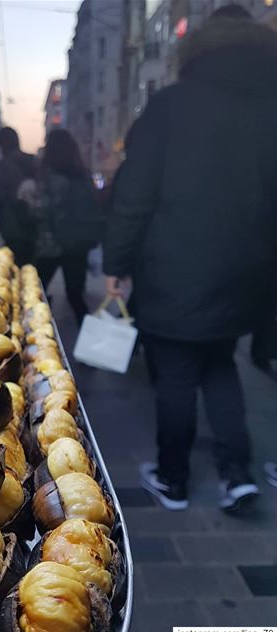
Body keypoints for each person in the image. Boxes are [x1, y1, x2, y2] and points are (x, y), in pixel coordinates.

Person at [103, 4, 277, 512]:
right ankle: (237, 474)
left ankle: (174, 479)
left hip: (171, 268)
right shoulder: (270, 110)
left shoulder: (171, 106)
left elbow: (135, 194)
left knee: (175, 373)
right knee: (221, 366)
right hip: (244, 270)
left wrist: (117, 262)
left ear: (195, 50)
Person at [36, 129, 103, 325]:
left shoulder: (50, 176)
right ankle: (89, 341)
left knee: (36, 289)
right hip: (77, 244)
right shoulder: (82, 175)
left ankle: (36, 336)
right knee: (75, 295)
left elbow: (44, 210)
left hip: (52, 244)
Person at [0, 127, 38, 265]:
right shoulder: (34, 161)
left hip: (12, 227)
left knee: (14, 272)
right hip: (34, 226)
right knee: (30, 271)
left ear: (2, 145)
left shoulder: (2, 166)